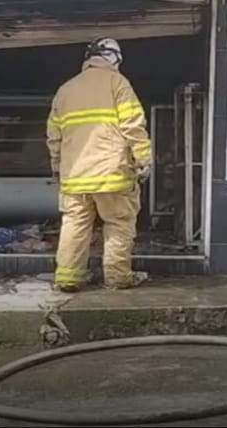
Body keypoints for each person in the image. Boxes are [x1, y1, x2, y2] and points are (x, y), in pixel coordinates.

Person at [46, 37, 152, 292]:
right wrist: (144, 158)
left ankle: (69, 278)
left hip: (75, 176)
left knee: (75, 224)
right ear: (114, 57)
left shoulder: (66, 89)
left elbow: (54, 135)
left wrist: (57, 165)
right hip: (111, 173)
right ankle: (117, 278)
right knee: (118, 224)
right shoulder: (118, 83)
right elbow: (133, 125)